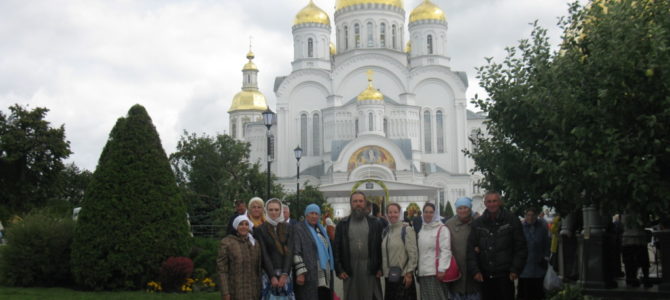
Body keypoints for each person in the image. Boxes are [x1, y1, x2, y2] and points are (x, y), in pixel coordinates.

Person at [467, 191, 527, 300]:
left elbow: (521, 247)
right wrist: (475, 271)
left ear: (499, 202)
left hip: (505, 275)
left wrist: (515, 269)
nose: (492, 204)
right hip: (485, 276)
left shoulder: (511, 220)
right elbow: (471, 249)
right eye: (489, 201)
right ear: (485, 203)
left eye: (494, 201)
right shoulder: (478, 223)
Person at [334, 191, 384, 300]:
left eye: (361, 201)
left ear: (365, 203)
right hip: (350, 268)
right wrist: (339, 269)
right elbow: (337, 249)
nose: (358, 204)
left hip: (369, 267)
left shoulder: (375, 223)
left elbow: (380, 247)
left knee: (372, 296)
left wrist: (380, 267)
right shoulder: (342, 224)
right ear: (351, 203)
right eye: (355, 201)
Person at [293, 204, 335, 300]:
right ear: (306, 215)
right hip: (308, 273)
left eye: (316, 214)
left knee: (324, 295)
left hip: (325, 272)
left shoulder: (320, 229)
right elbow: (296, 251)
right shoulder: (299, 228)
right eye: (311, 213)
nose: (314, 216)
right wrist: (300, 273)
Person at [256, 198, 295, 300]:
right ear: (266, 211)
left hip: (285, 272)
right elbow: (264, 253)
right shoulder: (261, 229)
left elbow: (289, 252)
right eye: (271, 209)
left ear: (281, 210)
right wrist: (272, 276)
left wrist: (285, 274)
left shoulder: (288, 227)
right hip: (268, 273)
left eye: (276, 209)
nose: (273, 212)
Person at [217, 215, 261, 300]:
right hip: (235, 291)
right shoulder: (227, 243)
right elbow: (222, 270)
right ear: (236, 226)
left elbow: (258, 269)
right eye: (241, 224)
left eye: (246, 224)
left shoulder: (255, 243)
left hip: (253, 291)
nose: (244, 227)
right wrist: (225, 292)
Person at [445, 197, 481, 300]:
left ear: (470, 208)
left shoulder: (477, 222)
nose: (463, 210)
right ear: (456, 210)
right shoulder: (449, 224)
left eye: (465, 207)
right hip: (456, 273)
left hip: (474, 273)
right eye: (460, 208)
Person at [382, 203, 418, 300]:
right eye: (390, 212)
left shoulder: (406, 230)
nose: (392, 215)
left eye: (395, 212)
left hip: (403, 277)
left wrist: (409, 273)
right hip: (390, 276)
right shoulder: (386, 231)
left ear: (400, 213)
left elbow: (413, 254)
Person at [416, 202, 451, 300]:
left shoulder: (442, 229)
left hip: (435, 273)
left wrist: (442, 269)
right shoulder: (422, 229)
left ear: (435, 214)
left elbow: (446, 250)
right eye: (426, 212)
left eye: (431, 212)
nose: (428, 214)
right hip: (423, 273)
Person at [518, 207, 550, 300]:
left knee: (537, 291)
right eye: (528, 215)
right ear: (525, 216)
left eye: (532, 215)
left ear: (536, 216)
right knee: (525, 292)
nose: (530, 218)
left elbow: (547, 243)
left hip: (538, 265)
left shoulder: (542, 228)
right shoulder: (521, 228)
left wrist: (546, 257)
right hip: (525, 266)